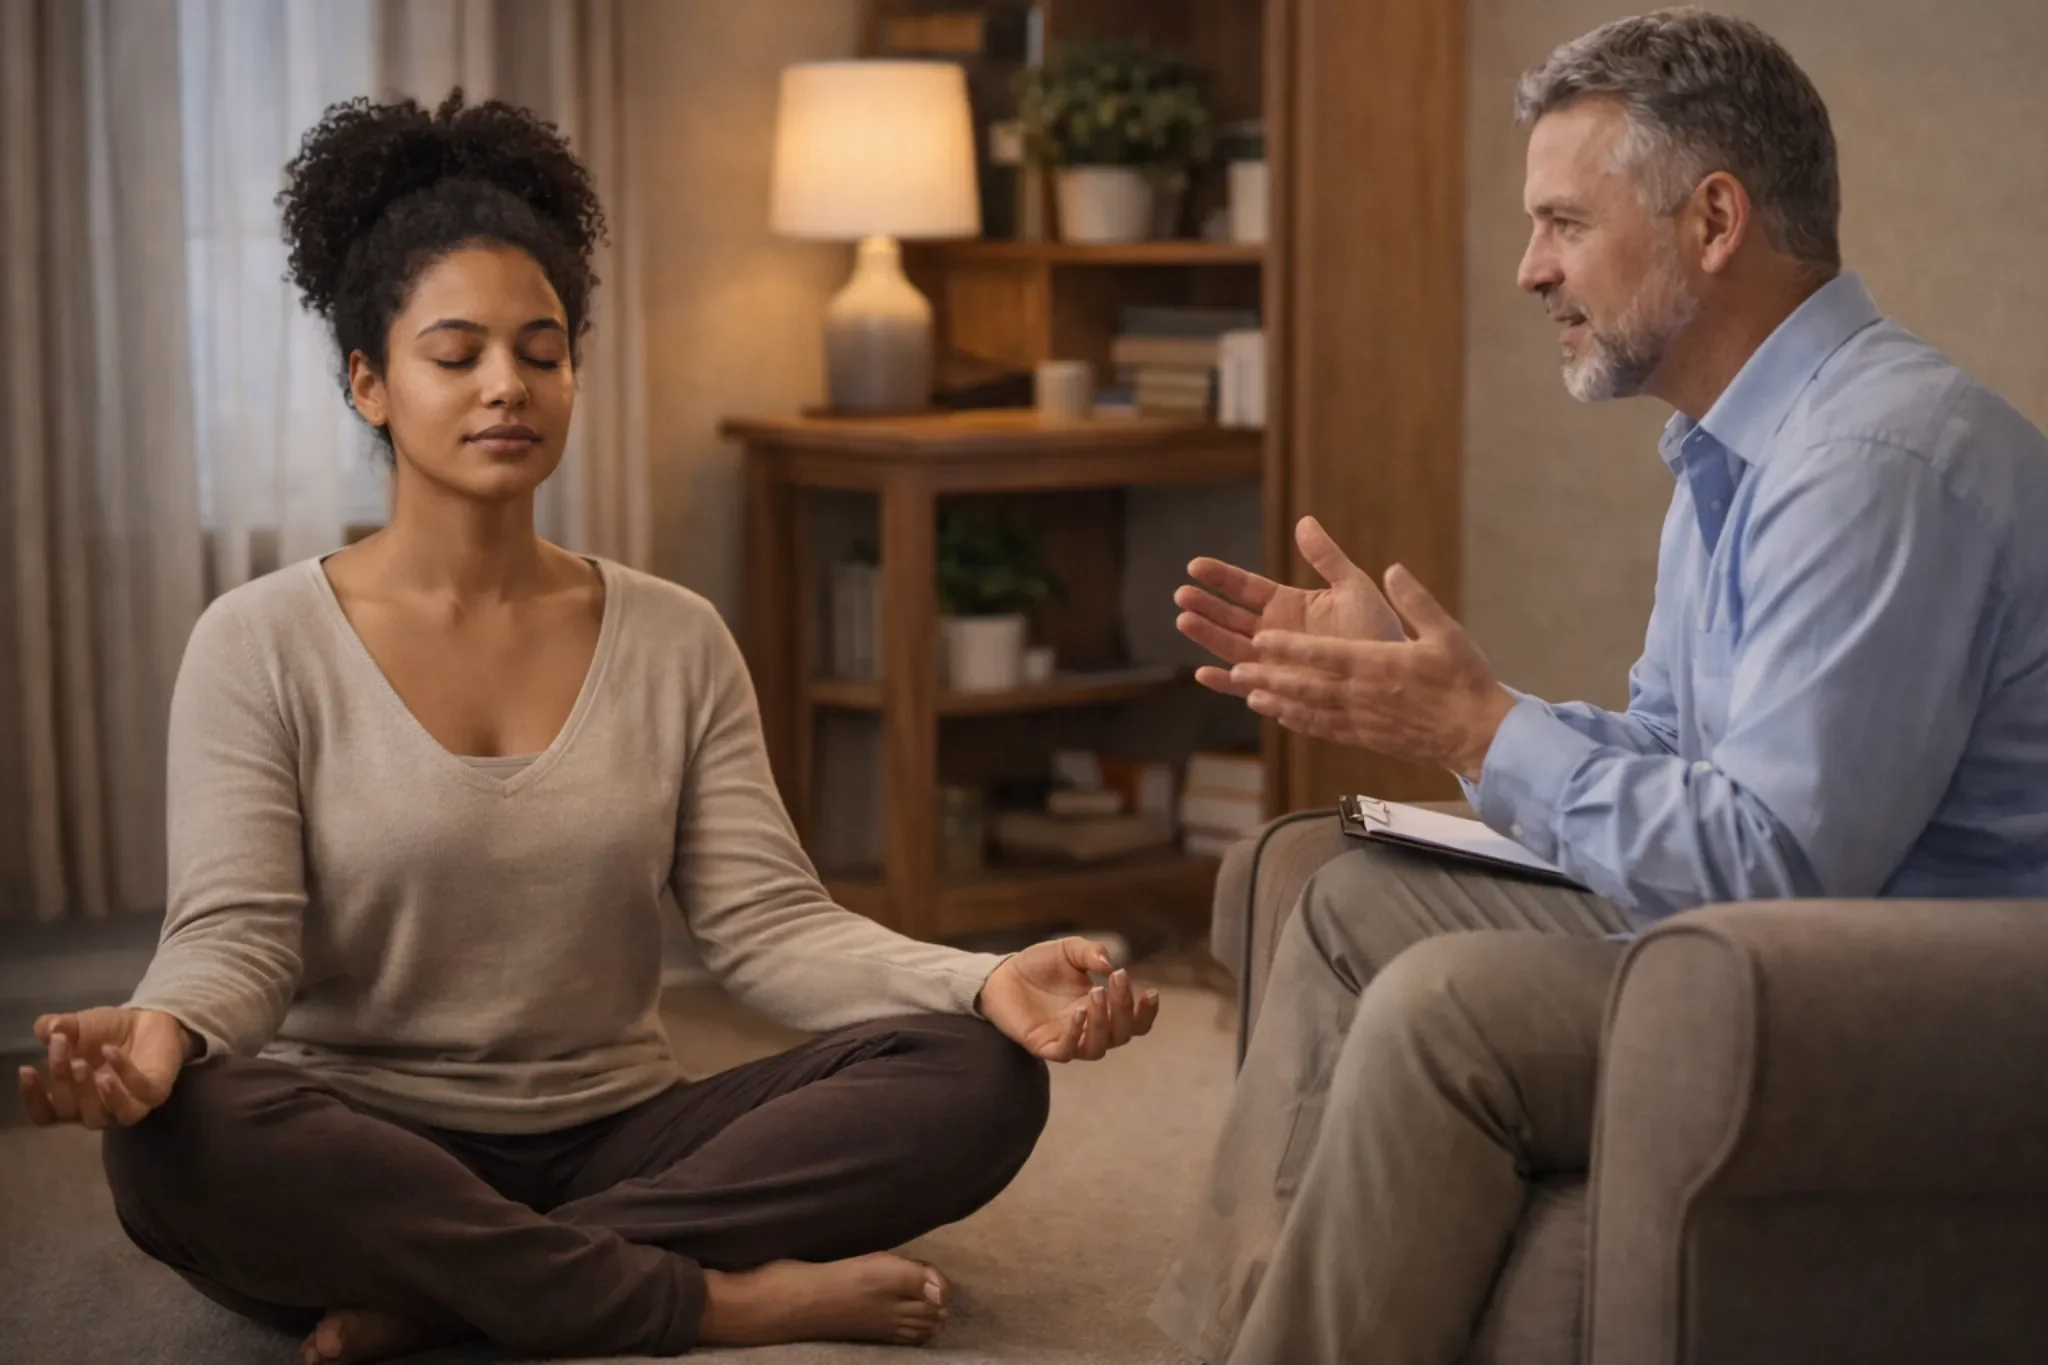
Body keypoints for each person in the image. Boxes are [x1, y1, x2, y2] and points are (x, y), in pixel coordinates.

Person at [14, 92, 1162, 1365]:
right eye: (456, 354)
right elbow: (236, 937)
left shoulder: (673, 636)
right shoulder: (258, 642)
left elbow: (768, 928)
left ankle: (457, 1298)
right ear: (368, 381)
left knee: (978, 1079)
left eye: (542, 350)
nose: (507, 385)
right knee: (177, 1140)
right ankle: (699, 1297)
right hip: (368, 1143)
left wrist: (981, 980)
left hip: (621, 1134)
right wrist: (162, 1030)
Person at [1150, 9, 2048, 1364]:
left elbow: (1774, 867)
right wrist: (1438, 702)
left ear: (1716, 219)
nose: (1528, 270)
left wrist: (1479, 726)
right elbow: (1687, 754)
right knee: (1345, 899)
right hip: (1782, 940)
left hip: (1931, 989)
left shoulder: (1879, 464)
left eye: (1564, 223)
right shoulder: (1732, 448)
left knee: (1444, 1009)